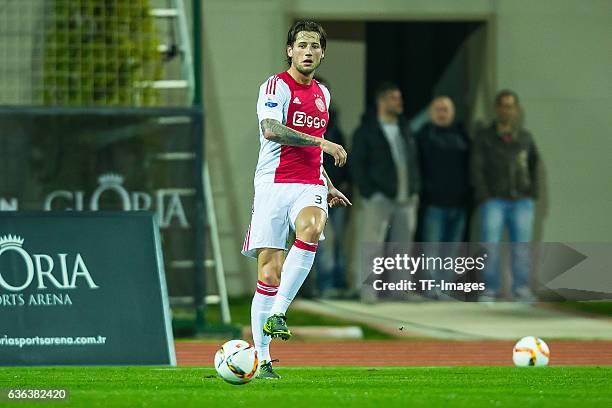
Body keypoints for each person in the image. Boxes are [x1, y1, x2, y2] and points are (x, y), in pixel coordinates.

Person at [241, 21, 351, 379]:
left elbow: (310, 153)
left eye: (315, 46)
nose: (308, 51)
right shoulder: (275, 86)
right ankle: (262, 359)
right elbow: (271, 130)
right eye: (301, 44)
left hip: (308, 184)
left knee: (312, 227)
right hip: (273, 184)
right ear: (290, 50)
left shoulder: (323, 93)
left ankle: (279, 313)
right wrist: (323, 143)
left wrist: (327, 182)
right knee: (270, 273)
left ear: (322, 53)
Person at [351, 82, 420, 302]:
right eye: (394, 98)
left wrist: (414, 189)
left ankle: (400, 290)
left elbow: (412, 161)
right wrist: (369, 192)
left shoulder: (405, 128)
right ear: (381, 101)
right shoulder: (366, 131)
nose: (399, 102)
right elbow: (357, 164)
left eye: (399, 98)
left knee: (403, 247)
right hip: (379, 196)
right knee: (373, 244)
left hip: (405, 197)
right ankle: (368, 290)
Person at [471, 89, 539, 302]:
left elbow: (534, 166)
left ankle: (521, 290)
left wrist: (532, 193)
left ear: (516, 110)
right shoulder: (484, 138)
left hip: (522, 201)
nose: (506, 110)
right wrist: (485, 195)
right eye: (503, 106)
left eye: (510, 106)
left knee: (521, 249)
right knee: (490, 247)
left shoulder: (526, 138)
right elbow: (476, 168)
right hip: (494, 201)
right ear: (496, 109)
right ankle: (489, 290)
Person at [416, 96, 471, 298]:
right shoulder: (423, 136)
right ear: (431, 113)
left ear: (452, 113)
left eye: (446, 109)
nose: (442, 113)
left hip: (458, 204)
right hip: (434, 204)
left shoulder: (462, 136)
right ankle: (431, 290)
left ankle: (445, 289)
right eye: (438, 109)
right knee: (432, 250)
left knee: (451, 252)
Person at [313, 77, 352, 298]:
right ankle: (324, 285)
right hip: (315, 187)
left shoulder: (333, 121)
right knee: (322, 241)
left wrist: (342, 183)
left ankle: (337, 283)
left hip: (335, 189)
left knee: (337, 241)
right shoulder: (304, 119)